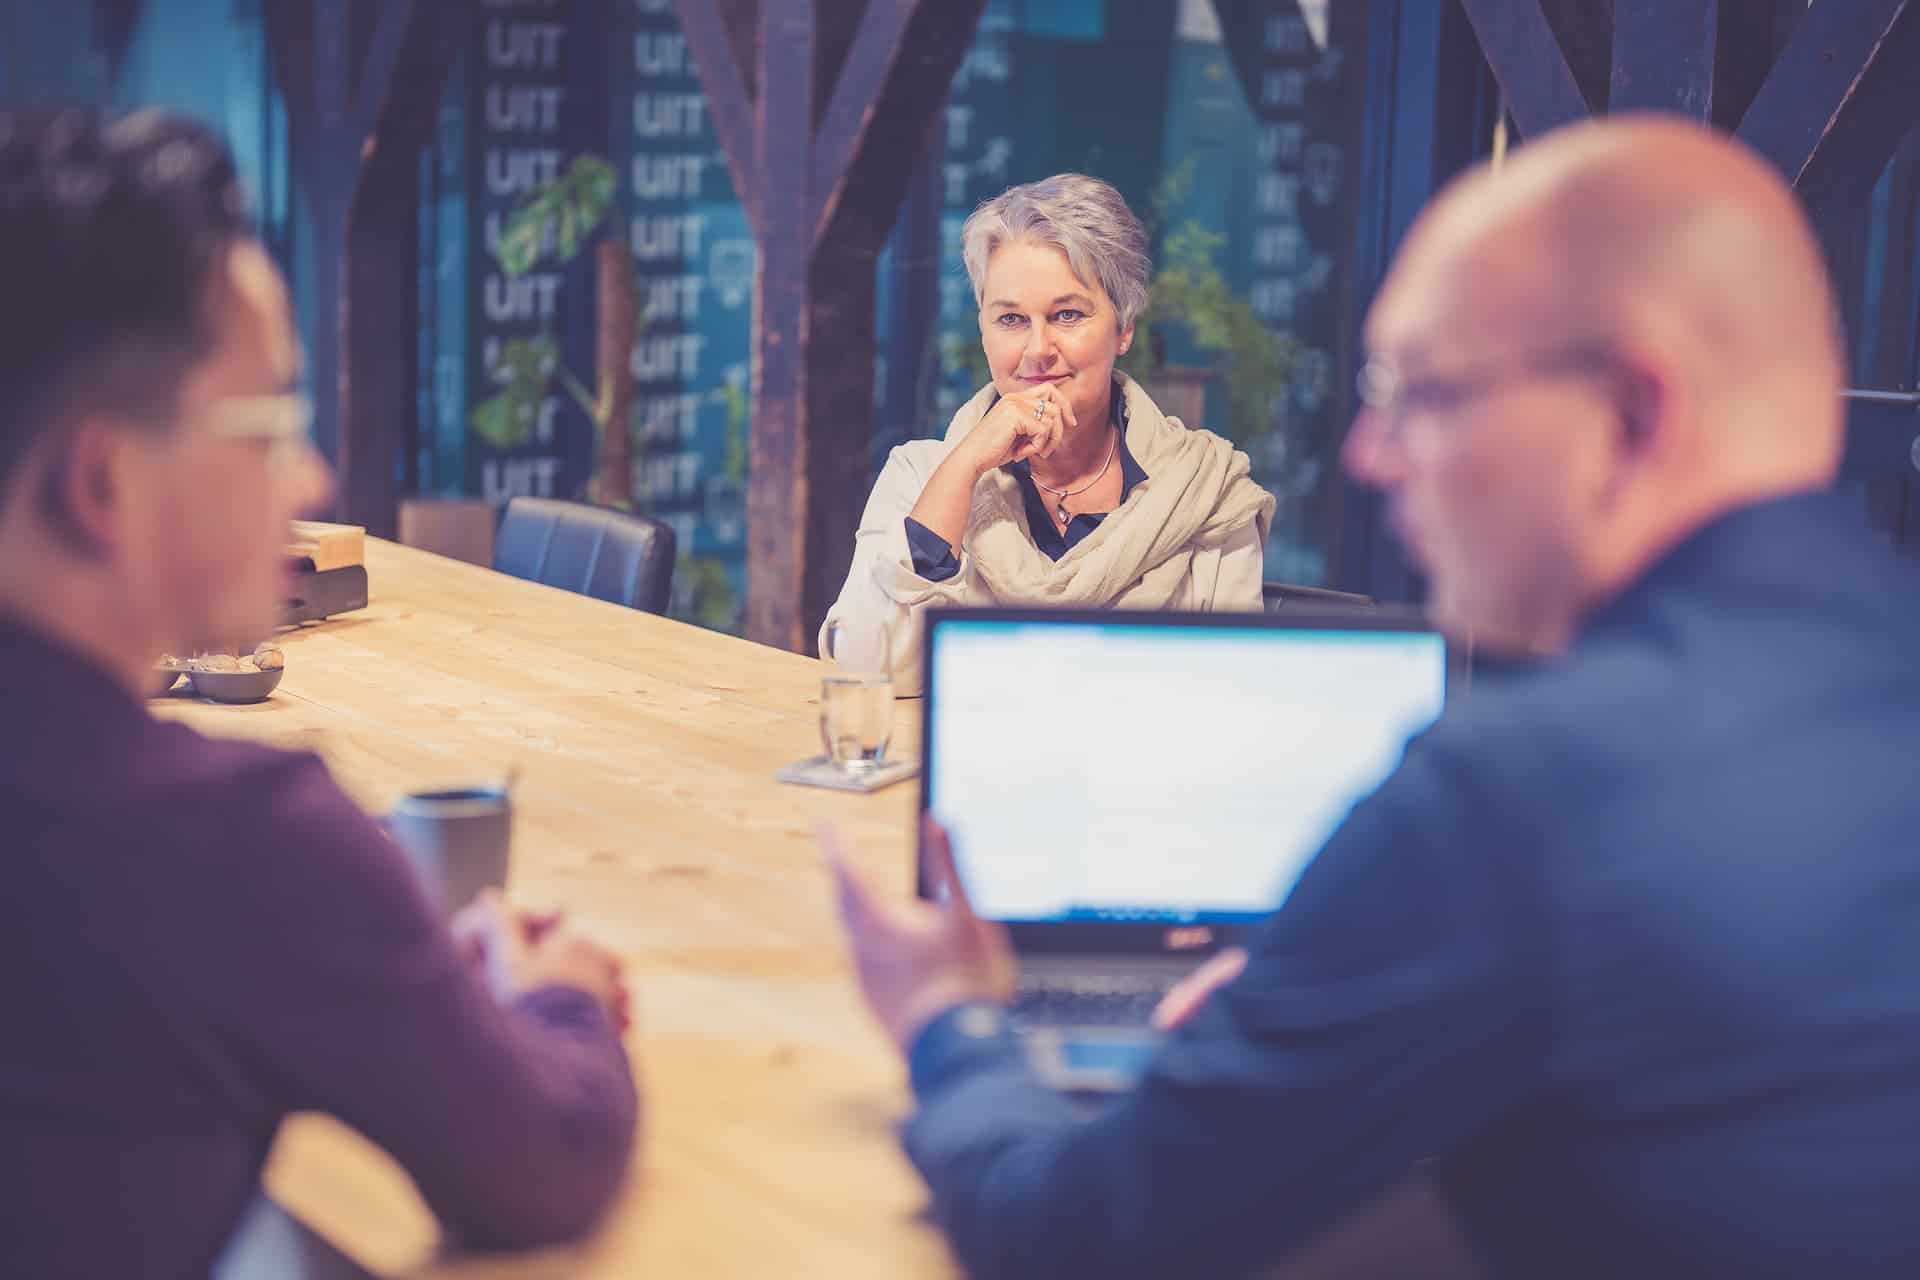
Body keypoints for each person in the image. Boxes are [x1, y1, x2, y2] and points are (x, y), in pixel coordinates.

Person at [823, 115, 1920, 1278]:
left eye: (1420, 391)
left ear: (1633, 415)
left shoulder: (1512, 786)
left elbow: (1074, 1229)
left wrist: (951, 1017)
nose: (1367, 453)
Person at [0, 109, 636, 1276]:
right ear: (102, 479)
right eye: (272, 422)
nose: (312, 473)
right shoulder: (229, 837)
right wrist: (556, 1000)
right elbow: (543, 1155)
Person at [819, 173, 1275, 693]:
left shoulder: (1207, 490)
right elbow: (858, 671)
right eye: (1011, 319)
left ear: (1123, 327)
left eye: (1067, 314)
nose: (1038, 349)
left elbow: (1236, 698)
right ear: (983, 331)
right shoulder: (921, 476)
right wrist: (964, 468)